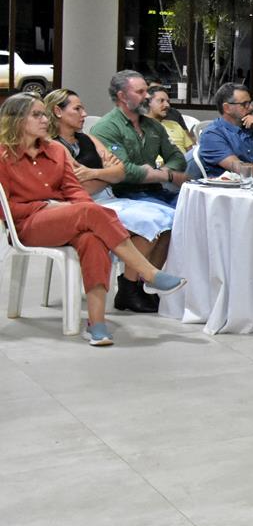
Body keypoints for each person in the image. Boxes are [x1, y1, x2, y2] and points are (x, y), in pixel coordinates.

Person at [0, 93, 186, 346]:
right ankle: (149, 273)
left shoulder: (55, 150)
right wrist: (46, 206)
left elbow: (73, 190)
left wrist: (84, 212)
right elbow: (5, 208)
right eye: (37, 115)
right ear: (16, 119)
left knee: (92, 238)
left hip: (65, 216)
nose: (45, 120)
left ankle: (97, 324)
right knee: (91, 213)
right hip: (27, 224)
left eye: (44, 114)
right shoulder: (3, 156)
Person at [47, 89, 176, 313]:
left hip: (112, 197)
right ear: (58, 111)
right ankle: (130, 288)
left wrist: (94, 173)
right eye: (77, 109)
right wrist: (106, 174)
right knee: (149, 222)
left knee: (171, 219)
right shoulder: (54, 146)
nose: (84, 114)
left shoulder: (88, 138)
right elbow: (80, 187)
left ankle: (139, 286)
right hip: (86, 206)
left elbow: (121, 172)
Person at [90, 69, 189, 206]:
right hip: (126, 197)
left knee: (197, 207)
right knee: (175, 217)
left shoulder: (154, 126)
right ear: (122, 96)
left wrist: (161, 172)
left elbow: (177, 158)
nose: (147, 96)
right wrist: (166, 176)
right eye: (140, 92)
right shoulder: (106, 128)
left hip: (157, 191)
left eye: (147, 90)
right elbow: (124, 170)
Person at [196, 83, 253, 176]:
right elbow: (242, 170)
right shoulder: (212, 134)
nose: (251, 107)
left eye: (251, 103)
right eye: (245, 104)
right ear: (227, 108)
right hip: (229, 189)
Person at [144, 85, 194, 154]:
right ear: (148, 102)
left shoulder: (175, 125)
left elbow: (191, 153)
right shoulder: (139, 127)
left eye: (168, 101)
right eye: (161, 101)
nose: (167, 105)